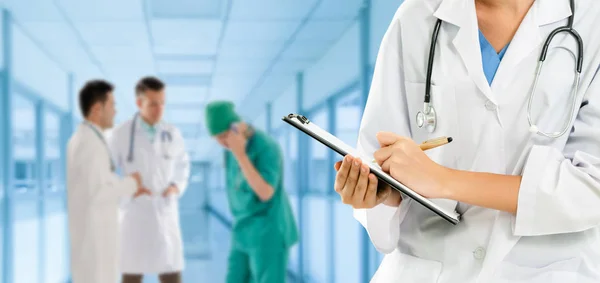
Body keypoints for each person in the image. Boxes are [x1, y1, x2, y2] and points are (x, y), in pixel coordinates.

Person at [334, 0, 600, 282]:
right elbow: (382, 151)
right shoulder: (418, 15)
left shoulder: (591, 21)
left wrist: (443, 180)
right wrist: (380, 191)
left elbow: (591, 188)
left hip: (547, 268)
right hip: (428, 266)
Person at [108, 76, 190, 283]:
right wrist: (127, 188)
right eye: (153, 104)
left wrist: (175, 187)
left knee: (171, 273)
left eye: (162, 103)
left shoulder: (172, 133)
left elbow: (183, 165)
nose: (159, 109)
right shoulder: (121, 134)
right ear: (139, 103)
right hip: (135, 214)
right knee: (132, 274)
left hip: (165, 210)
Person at [205, 101, 298, 283]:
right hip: (241, 230)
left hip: (268, 231)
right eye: (218, 140)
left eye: (224, 136)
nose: (224, 144)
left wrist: (241, 155)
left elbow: (265, 193)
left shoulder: (266, 146)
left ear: (236, 127)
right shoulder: (229, 150)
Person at [67, 80, 151, 283]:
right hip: (95, 246)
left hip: (94, 241)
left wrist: (129, 190)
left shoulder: (88, 140)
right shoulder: (89, 144)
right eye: (112, 105)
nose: (115, 110)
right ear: (97, 108)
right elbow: (99, 193)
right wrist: (131, 183)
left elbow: (100, 187)